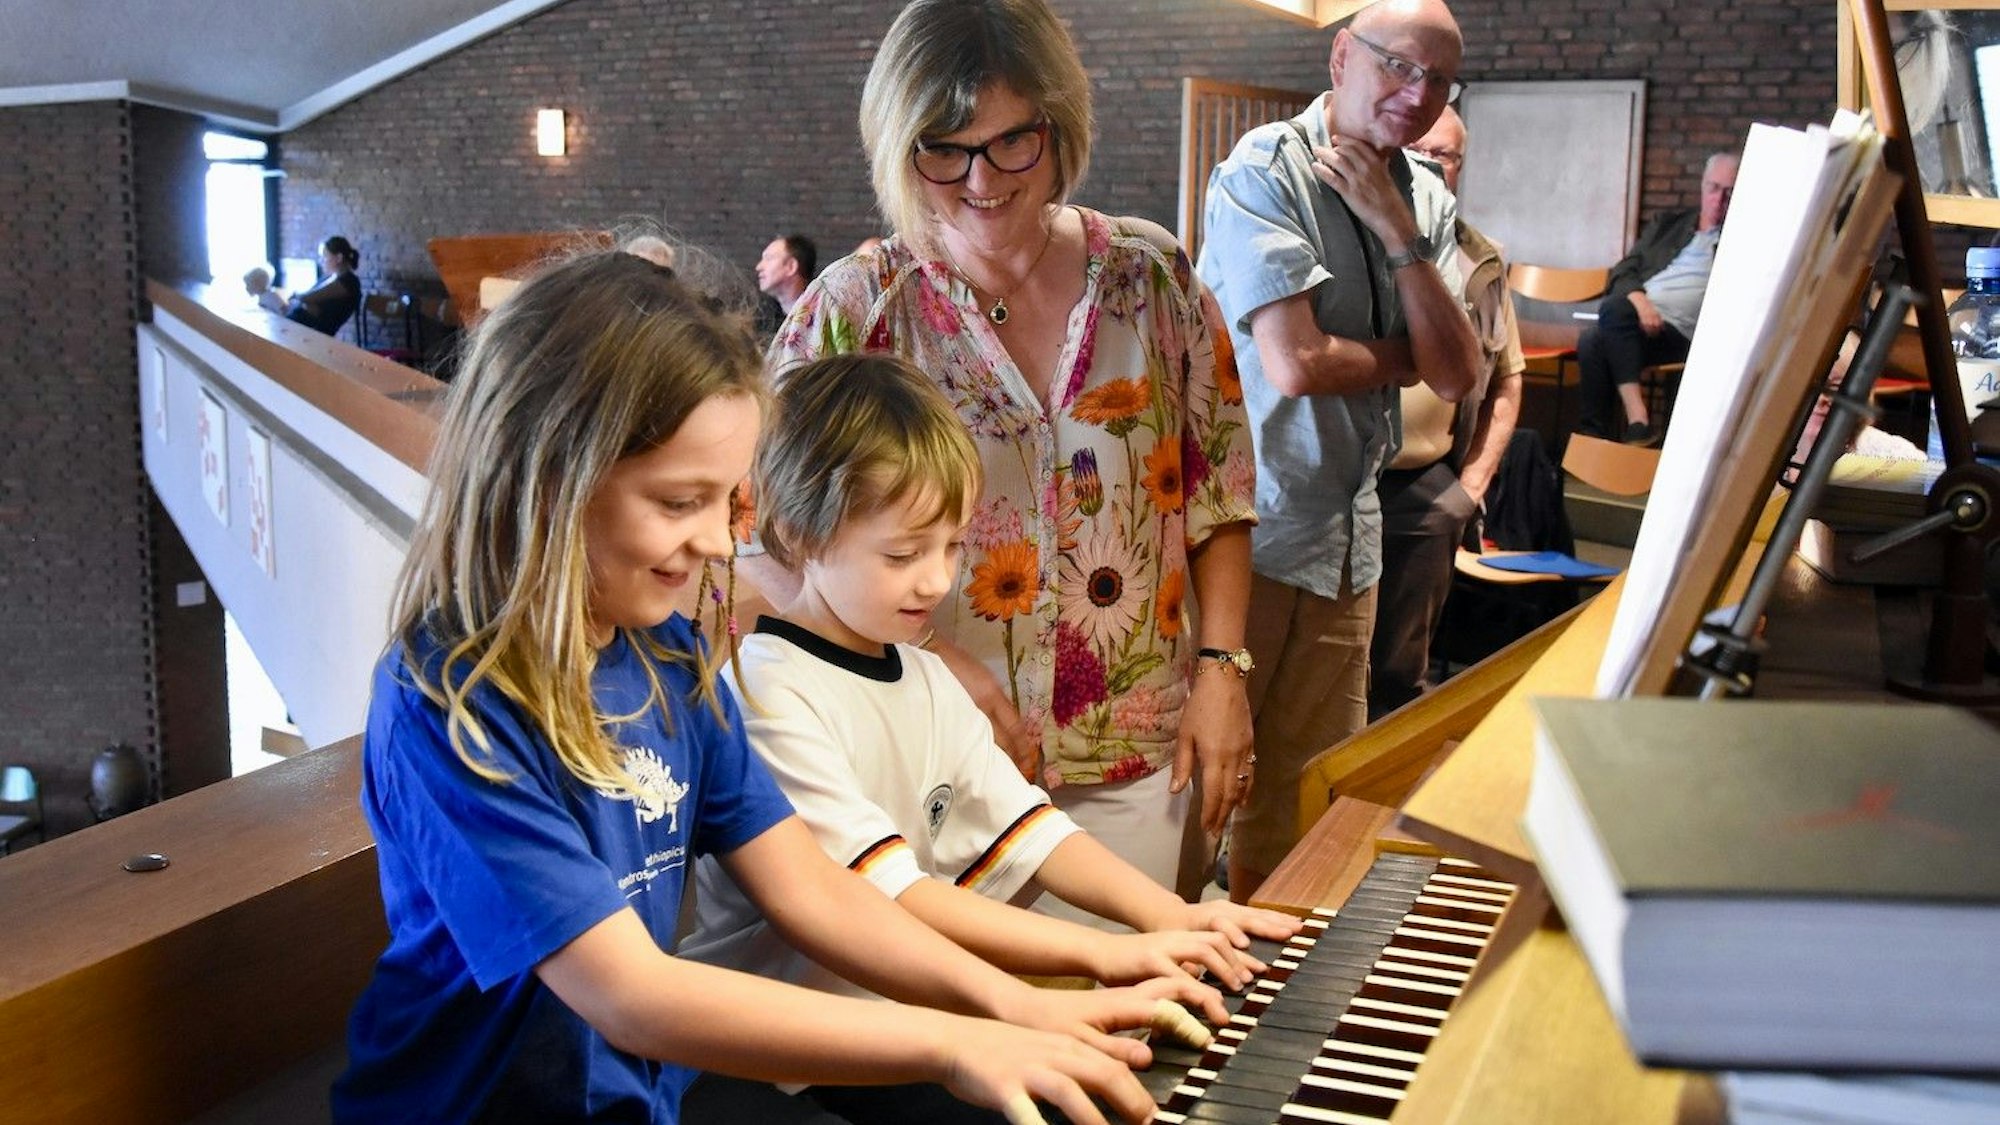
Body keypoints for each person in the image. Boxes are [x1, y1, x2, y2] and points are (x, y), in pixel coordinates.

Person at [329, 244, 1216, 1125]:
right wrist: (956, 1042)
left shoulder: (668, 657)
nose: (718, 543)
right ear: (551, 476)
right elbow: (630, 993)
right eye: (680, 503)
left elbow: (809, 888)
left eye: (727, 503)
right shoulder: (452, 702)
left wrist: (1016, 1004)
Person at [684, 353, 1300, 1122]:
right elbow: (895, 896)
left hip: (894, 1023)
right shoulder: (770, 690)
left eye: (952, 546)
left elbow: (1034, 830)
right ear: (797, 533)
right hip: (774, 1053)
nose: (937, 581)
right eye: (903, 554)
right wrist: (1108, 951)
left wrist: (1169, 913)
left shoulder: (924, 674)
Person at [756, 0, 1260, 912]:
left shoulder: (1151, 278)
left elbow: (1219, 490)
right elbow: (763, 535)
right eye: (943, 148)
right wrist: (927, 652)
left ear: (1058, 129)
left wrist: (1225, 671)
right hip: (918, 753)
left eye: (1009, 143)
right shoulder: (856, 310)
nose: (979, 179)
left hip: (1131, 746)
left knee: (1125, 1007)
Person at [1196, 0, 1481, 901]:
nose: (1418, 94)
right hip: (1252, 524)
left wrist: (1396, 232)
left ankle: (1265, 988)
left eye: (1437, 79)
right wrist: (1409, 356)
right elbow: (1299, 360)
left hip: (1348, 533)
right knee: (1207, 784)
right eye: (1400, 66)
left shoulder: (1423, 198)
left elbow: (1464, 375)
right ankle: (1167, 971)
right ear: (1342, 58)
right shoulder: (1262, 171)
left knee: (1309, 792)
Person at [1367, 106, 1525, 720]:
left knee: (1400, 675)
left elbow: (1509, 383)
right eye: (1420, 148)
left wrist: (1471, 487)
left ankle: (1381, 806)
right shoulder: (1351, 238)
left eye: (1447, 154)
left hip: (1428, 486)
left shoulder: (1480, 260)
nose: (1432, 163)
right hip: (1335, 483)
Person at [1573, 151, 1740, 445]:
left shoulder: (1740, 239)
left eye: (1729, 192)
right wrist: (1641, 303)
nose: (1719, 199)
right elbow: (1624, 270)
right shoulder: (1668, 225)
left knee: (1611, 314)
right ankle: (1595, 441)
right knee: (1592, 340)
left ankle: (1638, 419)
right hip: (1638, 322)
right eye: (1714, 189)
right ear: (1702, 186)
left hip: (1681, 334)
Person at [245, 235, 362, 337]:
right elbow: (307, 301)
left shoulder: (348, 282)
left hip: (310, 333)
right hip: (299, 326)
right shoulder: (331, 278)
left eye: (325, 256)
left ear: (338, 258)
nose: (322, 261)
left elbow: (306, 298)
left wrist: (296, 297)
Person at [755, 233, 818, 339]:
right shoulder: (762, 318)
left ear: (791, 266)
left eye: (768, 258)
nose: (758, 267)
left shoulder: (823, 316)